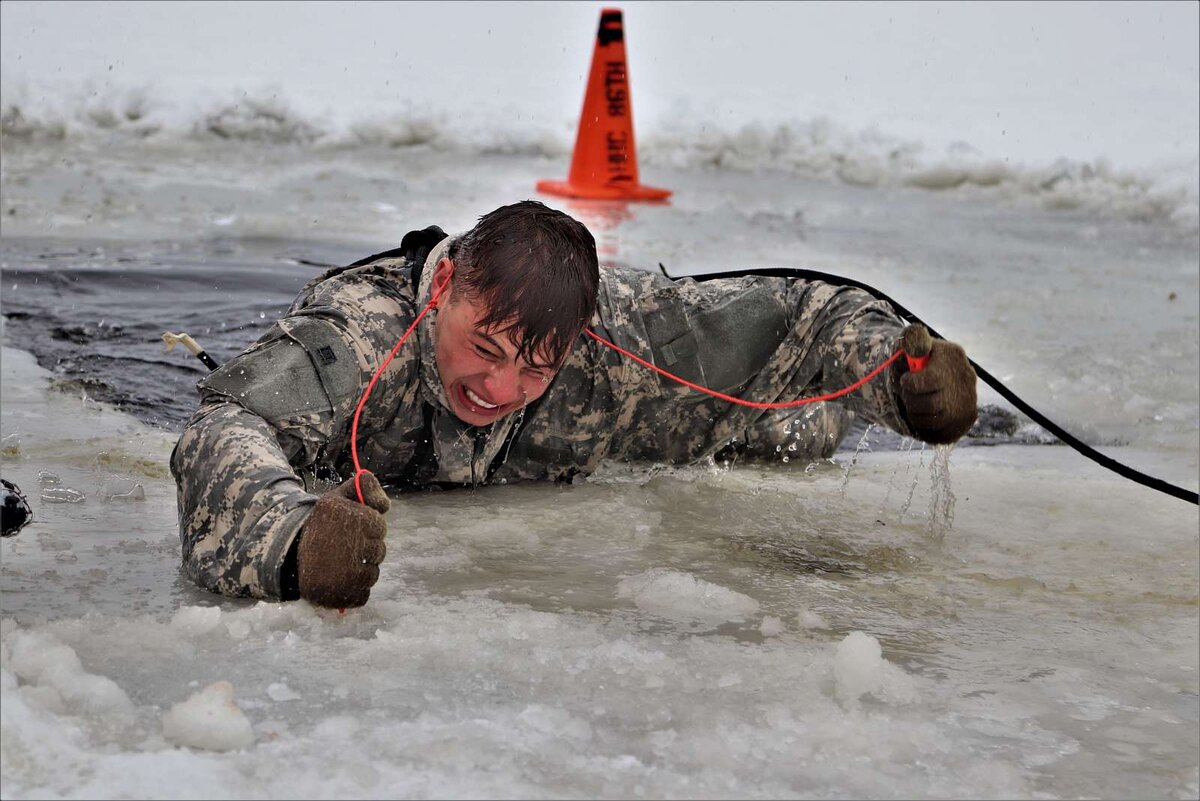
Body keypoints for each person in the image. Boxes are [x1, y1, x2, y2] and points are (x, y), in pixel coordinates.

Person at [170, 200, 977, 608]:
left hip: (747, 431)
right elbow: (219, 425)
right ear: (445, 287)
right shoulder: (357, 337)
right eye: (483, 348)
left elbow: (802, 314)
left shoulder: (620, 334)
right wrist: (295, 546)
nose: (497, 389)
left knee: (798, 430)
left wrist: (900, 379)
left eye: (533, 370)